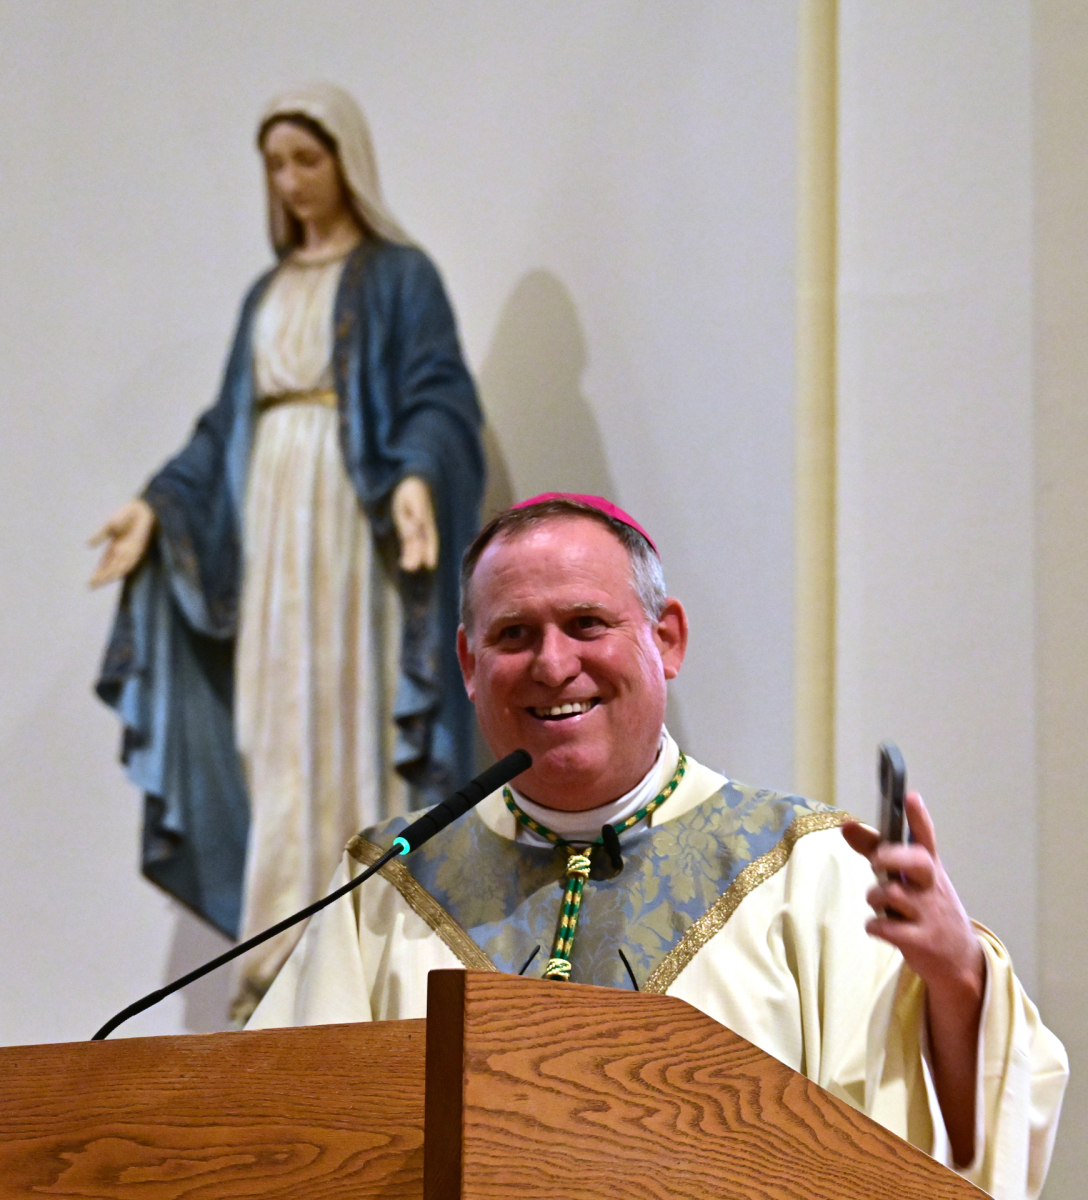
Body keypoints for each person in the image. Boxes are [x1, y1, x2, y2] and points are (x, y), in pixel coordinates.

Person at [248, 493, 1067, 1198]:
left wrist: (959, 979)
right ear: (469, 661)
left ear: (666, 638)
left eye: (586, 624)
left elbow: (940, 1152)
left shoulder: (809, 869)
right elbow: (271, 1136)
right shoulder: (389, 883)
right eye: (514, 635)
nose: (552, 664)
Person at [91, 83, 484, 1022]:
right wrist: (156, 506)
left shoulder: (401, 276)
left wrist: (419, 475)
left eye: (308, 158)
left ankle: (369, 948)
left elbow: (440, 395)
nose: (292, 180)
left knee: (352, 722)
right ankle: (275, 954)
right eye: (275, 164)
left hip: (354, 538)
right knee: (275, 735)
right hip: (272, 533)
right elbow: (223, 429)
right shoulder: (266, 294)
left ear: (348, 162)